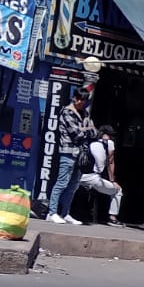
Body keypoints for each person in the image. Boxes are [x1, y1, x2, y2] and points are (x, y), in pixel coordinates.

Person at [47, 88, 96, 224]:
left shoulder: (85, 113)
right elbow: (76, 134)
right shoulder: (67, 112)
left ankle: (65, 213)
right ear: (73, 97)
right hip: (68, 151)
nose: (80, 102)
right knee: (62, 182)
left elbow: (94, 133)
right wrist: (86, 129)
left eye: (83, 100)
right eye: (78, 98)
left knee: (73, 185)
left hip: (80, 154)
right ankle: (52, 212)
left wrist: (86, 130)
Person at [77, 125, 123, 223]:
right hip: (93, 178)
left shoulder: (89, 141)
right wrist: (113, 181)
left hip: (79, 176)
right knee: (118, 191)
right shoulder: (109, 143)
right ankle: (112, 218)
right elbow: (110, 162)